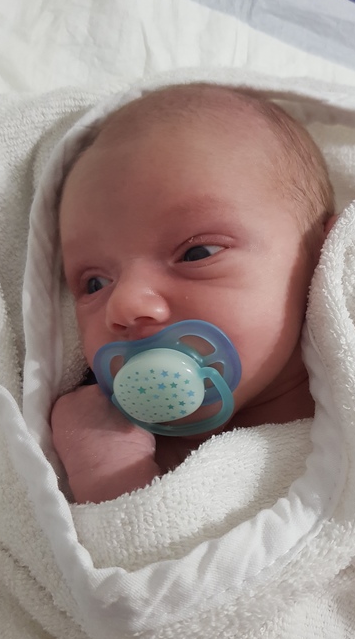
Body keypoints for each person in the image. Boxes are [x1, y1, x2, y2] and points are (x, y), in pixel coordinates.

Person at [51, 83, 337, 504]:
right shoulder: (131, 449)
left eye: (196, 253)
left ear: (324, 254)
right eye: (95, 283)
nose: (126, 304)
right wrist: (106, 473)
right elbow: (143, 549)